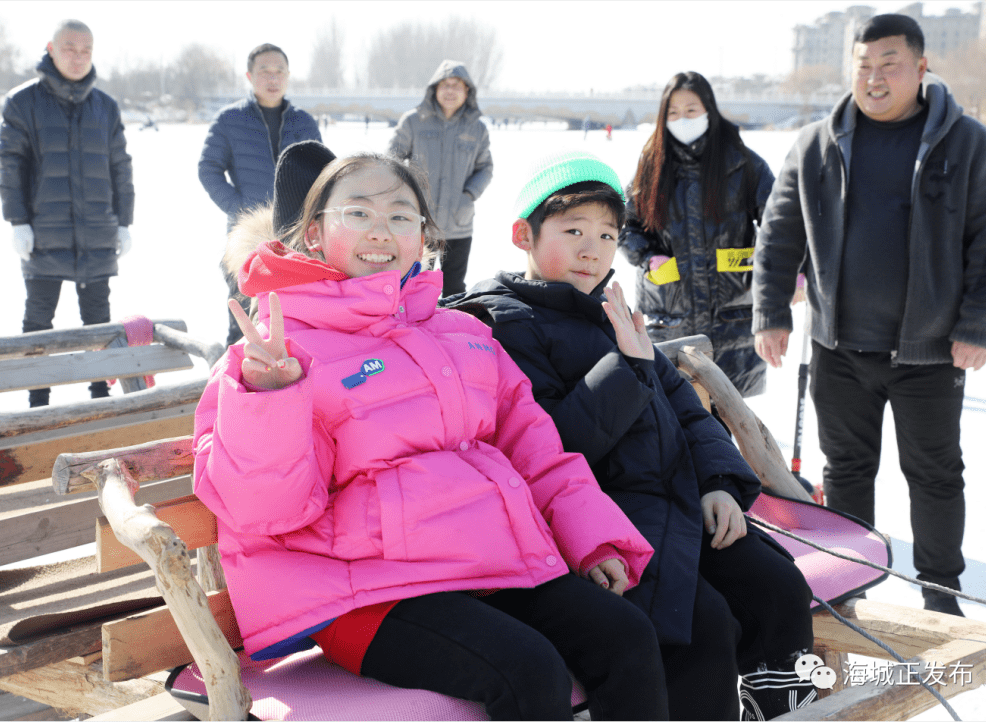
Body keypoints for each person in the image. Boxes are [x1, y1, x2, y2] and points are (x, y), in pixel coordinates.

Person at [193, 151, 669, 720]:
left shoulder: (460, 332)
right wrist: (271, 400)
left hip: (479, 564)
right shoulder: (276, 352)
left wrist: (590, 536)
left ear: (422, 238)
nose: (382, 231)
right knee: (528, 671)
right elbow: (265, 511)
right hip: (363, 594)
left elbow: (535, 449)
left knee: (627, 637)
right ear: (315, 233)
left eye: (401, 216)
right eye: (359, 213)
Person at [444, 150, 816, 721]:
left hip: (680, 506)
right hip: (607, 522)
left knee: (778, 588)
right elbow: (553, 445)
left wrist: (718, 483)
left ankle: (776, 712)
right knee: (700, 625)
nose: (592, 249)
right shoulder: (502, 324)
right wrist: (628, 367)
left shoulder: (609, 309)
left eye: (607, 234)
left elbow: (689, 414)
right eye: (573, 231)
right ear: (523, 234)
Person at [752, 14, 986, 617]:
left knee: (936, 475)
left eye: (889, 65)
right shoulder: (817, 144)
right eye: (863, 66)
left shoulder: (968, 144)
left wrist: (977, 325)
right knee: (845, 472)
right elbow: (780, 235)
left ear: (921, 69)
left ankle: (941, 593)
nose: (873, 79)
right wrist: (771, 312)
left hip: (933, 351)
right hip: (840, 350)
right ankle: (850, 585)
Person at [0, 19, 134, 408]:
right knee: (39, 321)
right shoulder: (23, 103)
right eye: (70, 48)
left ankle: (99, 397)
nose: (78, 57)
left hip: (97, 233)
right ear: (51, 48)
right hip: (44, 233)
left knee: (99, 324)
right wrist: (17, 220)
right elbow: (11, 166)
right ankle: (38, 401)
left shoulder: (104, 107)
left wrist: (124, 222)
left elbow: (120, 167)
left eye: (86, 50)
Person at [619, 72, 775, 400]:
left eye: (691, 110)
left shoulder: (743, 165)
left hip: (731, 315)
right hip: (669, 314)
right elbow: (623, 224)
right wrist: (647, 257)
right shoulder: (651, 167)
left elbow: (780, 223)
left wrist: (789, 270)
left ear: (709, 111)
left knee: (731, 420)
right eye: (673, 113)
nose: (682, 119)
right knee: (676, 417)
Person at [198, 43, 322, 346]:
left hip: (297, 237)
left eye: (279, 71)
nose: (273, 78)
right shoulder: (229, 120)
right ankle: (230, 388)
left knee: (295, 322)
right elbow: (208, 169)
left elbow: (323, 175)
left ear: (288, 76)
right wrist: (240, 211)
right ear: (250, 76)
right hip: (247, 240)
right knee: (242, 322)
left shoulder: (303, 121)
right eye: (265, 71)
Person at [388, 59, 492, 297]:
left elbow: (485, 168)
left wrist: (468, 196)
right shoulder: (414, 121)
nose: (450, 90)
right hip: (421, 221)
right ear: (434, 89)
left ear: (467, 92)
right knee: (416, 284)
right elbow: (391, 161)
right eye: (444, 84)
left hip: (459, 223)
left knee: (455, 288)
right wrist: (407, 196)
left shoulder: (477, 129)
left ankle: (448, 332)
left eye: (457, 85)